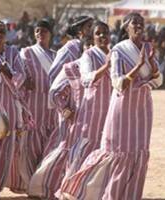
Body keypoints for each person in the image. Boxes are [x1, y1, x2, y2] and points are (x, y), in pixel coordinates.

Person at [59, 12, 163, 200]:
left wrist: (153, 66)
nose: (139, 26)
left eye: (141, 23)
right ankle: (96, 192)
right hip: (122, 108)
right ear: (126, 27)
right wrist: (137, 67)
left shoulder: (148, 48)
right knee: (118, 153)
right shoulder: (118, 50)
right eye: (134, 23)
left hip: (143, 108)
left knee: (139, 153)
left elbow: (158, 80)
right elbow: (118, 83)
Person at [27, 16, 93, 199]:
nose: (91, 29)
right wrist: (65, 101)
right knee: (65, 144)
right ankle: (42, 185)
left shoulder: (87, 48)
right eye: (88, 27)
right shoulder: (71, 47)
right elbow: (55, 75)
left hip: (85, 105)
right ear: (79, 30)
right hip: (69, 104)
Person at [55, 21, 113, 198]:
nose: (102, 36)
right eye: (98, 33)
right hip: (92, 110)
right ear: (93, 37)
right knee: (84, 149)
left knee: (107, 150)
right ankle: (71, 189)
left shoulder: (114, 53)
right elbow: (86, 79)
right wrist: (106, 67)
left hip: (112, 110)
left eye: (105, 33)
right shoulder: (88, 55)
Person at [0, 20, 31, 196]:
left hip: (9, 106)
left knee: (7, 148)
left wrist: (8, 72)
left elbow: (22, 77)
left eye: (1, 31)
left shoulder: (13, 52)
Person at [19, 19, 57, 189]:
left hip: (52, 109)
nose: (40, 34)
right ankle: (30, 184)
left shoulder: (56, 56)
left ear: (50, 34)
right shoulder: (27, 52)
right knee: (31, 148)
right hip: (33, 106)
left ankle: (43, 183)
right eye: (37, 31)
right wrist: (25, 81)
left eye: (44, 31)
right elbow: (18, 75)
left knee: (49, 147)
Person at [48, 15, 93, 85]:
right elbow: (53, 74)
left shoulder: (94, 48)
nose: (93, 29)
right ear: (79, 31)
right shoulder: (70, 48)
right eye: (89, 26)